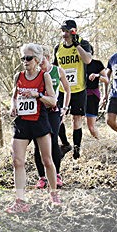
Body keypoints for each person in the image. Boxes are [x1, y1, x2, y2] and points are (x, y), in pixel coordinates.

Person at [6, 43, 60, 214]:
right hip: (22, 121)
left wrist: (38, 95)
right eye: (23, 58)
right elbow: (14, 96)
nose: (25, 61)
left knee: (47, 160)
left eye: (28, 58)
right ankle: (20, 201)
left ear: (37, 60)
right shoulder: (18, 76)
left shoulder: (45, 77)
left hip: (39, 121)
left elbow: (53, 101)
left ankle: (54, 194)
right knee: (17, 161)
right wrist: (12, 107)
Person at [54, 20, 93, 160]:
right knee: (58, 117)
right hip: (62, 89)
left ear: (74, 30)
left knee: (76, 119)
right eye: (63, 30)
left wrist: (76, 44)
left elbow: (88, 60)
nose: (65, 34)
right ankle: (65, 143)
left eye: (67, 30)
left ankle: (77, 148)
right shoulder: (58, 48)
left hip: (78, 89)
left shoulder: (83, 43)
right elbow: (54, 68)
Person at [33, 45, 71, 189]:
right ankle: (42, 177)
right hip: (38, 111)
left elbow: (67, 90)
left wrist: (65, 108)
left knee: (53, 141)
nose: (39, 64)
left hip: (54, 110)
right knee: (38, 143)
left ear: (48, 58)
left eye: (41, 61)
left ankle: (56, 174)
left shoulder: (57, 70)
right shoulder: (35, 73)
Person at [85, 50, 108, 139]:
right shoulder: (78, 64)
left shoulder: (97, 64)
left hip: (92, 95)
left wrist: (97, 76)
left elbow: (106, 80)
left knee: (91, 126)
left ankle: (99, 142)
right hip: (79, 95)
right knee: (75, 121)